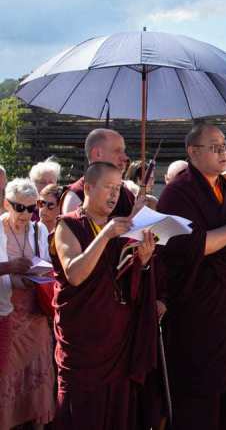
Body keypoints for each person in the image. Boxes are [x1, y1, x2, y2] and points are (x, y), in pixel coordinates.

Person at [156, 124, 226, 430]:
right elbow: (185, 247)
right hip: (197, 311)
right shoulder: (177, 194)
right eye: (215, 147)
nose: (223, 153)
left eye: (225, 146)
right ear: (193, 152)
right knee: (199, 398)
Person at [52, 162, 158, 430]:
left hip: (118, 339)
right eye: (108, 188)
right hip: (84, 345)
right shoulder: (69, 225)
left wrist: (143, 260)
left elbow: (126, 278)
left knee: (117, 415)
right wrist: (106, 236)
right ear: (87, 187)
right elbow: (75, 274)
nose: (114, 195)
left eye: (118, 188)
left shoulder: (122, 226)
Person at [0, 179, 55, 429]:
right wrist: (10, 268)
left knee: (37, 376)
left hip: (35, 312)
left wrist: (38, 275)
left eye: (31, 208)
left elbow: (46, 265)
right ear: (6, 204)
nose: (25, 214)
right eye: (18, 207)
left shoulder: (39, 230)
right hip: (7, 313)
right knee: (7, 376)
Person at [61, 128, 138, 216]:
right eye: (117, 151)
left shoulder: (128, 195)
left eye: (124, 152)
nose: (125, 158)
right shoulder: (77, 196)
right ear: (97, 154)